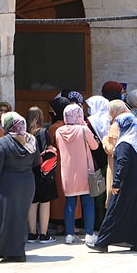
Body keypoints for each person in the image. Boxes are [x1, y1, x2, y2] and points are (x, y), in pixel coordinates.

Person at [86, 112, 137, 253]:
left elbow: (123, 163)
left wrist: (116, 183)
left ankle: (102, 243)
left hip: (126, 185)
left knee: (114, 212)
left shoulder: (125, 143)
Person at [0, 112, 40, 262]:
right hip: (27, 183)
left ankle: (2, 250)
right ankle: (17, 252)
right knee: (20, 218)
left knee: (3, 218)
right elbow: (37, 161)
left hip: (7, 185)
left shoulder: (3, 142)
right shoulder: (31, 140)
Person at [55, 104, 99, 245]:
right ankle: (89, 234)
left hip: (67, 172)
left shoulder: (59, 131)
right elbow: (95, 146)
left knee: (70, 203)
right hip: (85, 172)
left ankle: (69, 234)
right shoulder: (83, 129)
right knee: (88, 203)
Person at [48, 97, 82, 235]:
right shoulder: (77, 128)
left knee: (59, 195)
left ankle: (59, 224)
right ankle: (71, 224)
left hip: (58, 164)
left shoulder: (53, 128)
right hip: (73, 163)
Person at [26, 106, 58, 244]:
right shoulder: (43, 132)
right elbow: (48, 151)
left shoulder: (25, 134)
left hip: (28, 171)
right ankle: (44, 235)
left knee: (32, 202)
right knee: (45, 202)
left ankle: (32, 234)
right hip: (43, 171)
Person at [85, 95, 111, 230]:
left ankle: (97, 223)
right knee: (107, 191)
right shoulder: (109, 119)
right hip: (108, 159)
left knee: (97, 193)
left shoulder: (89, 122)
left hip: (93, 160)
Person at [102, 100, 130, 207]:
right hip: (127, 162)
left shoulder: (115, 125)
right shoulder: (130, 121)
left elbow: (111, 149)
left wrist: (104, 140)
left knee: (114, 197)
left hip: (115, 164)